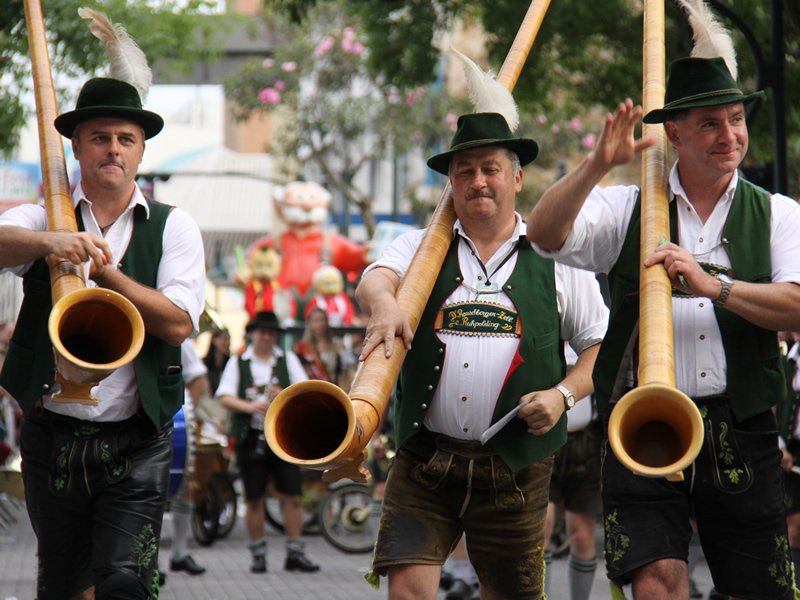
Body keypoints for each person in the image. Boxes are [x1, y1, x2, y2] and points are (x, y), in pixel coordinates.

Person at [526, 10, 800, 597]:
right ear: (674, 133)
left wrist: (713, 285)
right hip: (642, 423)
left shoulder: (778, 212)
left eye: (735, 119)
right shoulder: (629, 206)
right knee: (656, 583)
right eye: (710, 124)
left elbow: (797, 306)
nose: (730, 136)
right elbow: (544, 235)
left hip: (742, 427)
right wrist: (597, 163)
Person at [356, 111, 608, 599]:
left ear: (516, 177)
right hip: (425, 457)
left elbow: (599, 345)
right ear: (450, 183)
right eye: (464, 171)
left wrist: (563, 395)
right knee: (406, 591)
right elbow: (376, 276)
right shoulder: (421, 246)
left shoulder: (558, 256)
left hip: (516, 465)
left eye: (490, 168)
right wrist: (385, 304)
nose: (478, 182)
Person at [0, 76, 205, 598]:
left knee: (122, 582)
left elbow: (179, 323)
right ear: (76, 146)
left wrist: (103, 272)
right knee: (64, 586)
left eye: (125, 138)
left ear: (140, 150)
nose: (113, 148)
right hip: (52, 437)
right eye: (99, 137)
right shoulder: (46, 214)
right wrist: (52, 240)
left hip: (138, 439)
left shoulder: (174, 226)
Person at [215, 311, 320, 574]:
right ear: (253, 333)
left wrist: (282, 396)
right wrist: (252, 406)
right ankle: (258, 555)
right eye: (262, 332)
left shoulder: (288, 359)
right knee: (254, 498)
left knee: (293, 496)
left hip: (284, 440)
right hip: (251, 439)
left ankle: (295, 553)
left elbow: (304, 390)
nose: (266, 337)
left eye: (271, 333)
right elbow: (224, 396)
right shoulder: (239, 361)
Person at [542, 344, 602, 600]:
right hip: (543, 439)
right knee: (540, 528)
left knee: (581, 533)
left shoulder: (592, 318)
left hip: (584, 441)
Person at [294, 306, 354, 388]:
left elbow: (346, 371)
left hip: (333, 390)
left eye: (323, 320)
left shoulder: (337, 344)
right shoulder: (302, 348)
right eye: (316, 321)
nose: (320, 324)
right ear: (309, 323)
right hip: (310, 390)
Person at [203, 328, 231, 395]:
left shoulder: (231, 362)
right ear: (214, 340)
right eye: (224, 339)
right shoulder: (204, 364)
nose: (227, 343)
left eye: (229, 340)